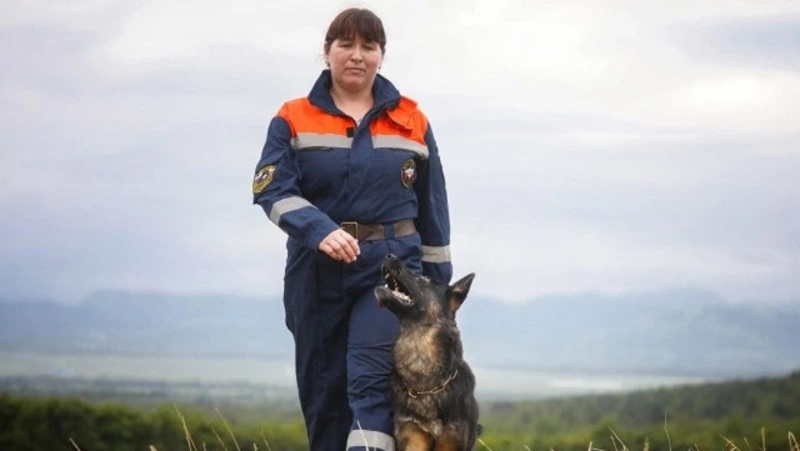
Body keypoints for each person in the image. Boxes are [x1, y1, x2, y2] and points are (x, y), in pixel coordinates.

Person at [252, 8, 452, 451]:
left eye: (368, 46)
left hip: (391, 271)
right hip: (316, 273)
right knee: (325, 393)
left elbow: (432, 209)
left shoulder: (412, 121)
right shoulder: (292, 117)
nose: (357, 55)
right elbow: (271, 190)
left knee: (371, 381)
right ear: (326, 53)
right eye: (345, 45)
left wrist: (439, 293)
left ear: (382, 55)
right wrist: (317, 229)